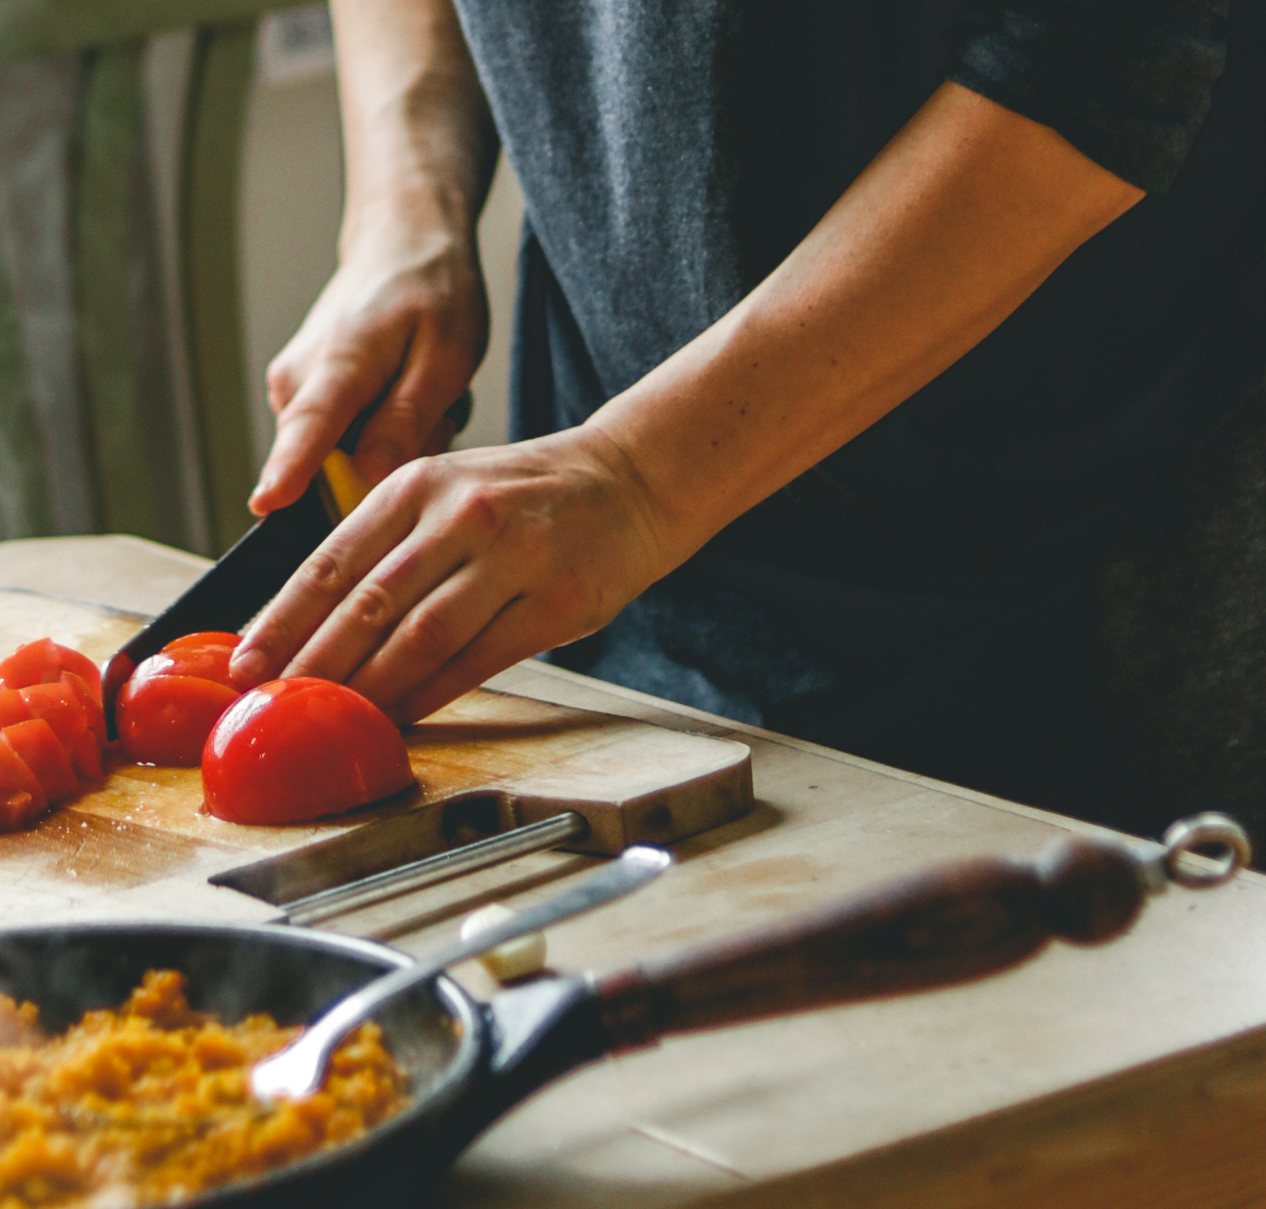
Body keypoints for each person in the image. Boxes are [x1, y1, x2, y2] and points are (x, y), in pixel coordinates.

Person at [229, 1, 1266, 830]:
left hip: (1080, 572)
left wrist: (636, 478)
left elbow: (1106, 47)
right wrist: (404, 206)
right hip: (628, 548)